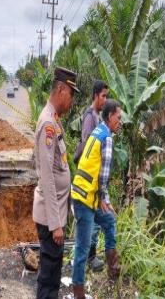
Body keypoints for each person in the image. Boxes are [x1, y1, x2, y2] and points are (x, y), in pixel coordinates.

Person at [33, 66, 79, 299]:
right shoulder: (48, 125)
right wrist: (55, 224)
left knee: (52, 274)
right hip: (52, 219)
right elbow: (47, 178)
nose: (71, 102)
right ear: (61, 90)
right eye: (71, 95)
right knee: (49, 279)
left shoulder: (54, 120)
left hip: (56, 215)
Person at [71, 100, 122, 299]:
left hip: (87, 196)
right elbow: (104, 174)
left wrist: (102, 198)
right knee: (82, 249)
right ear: (110, 116)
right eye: (118, 118)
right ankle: (78, 294)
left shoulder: (98, 131)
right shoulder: (107, 137)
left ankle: (113, 269)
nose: (120, 122)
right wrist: (103, 197)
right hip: (86, 199)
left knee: (109, 220)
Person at [73, 80, 109, 272]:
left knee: (92, 219)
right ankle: (89, 257)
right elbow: (88, 147)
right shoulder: (90, 117)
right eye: (103, 96)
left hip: (92, 178)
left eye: (107, 96)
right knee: (91, 220)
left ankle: (88, 256)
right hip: (88, 179)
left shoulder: (97, 117)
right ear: (95, 96)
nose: (105, 99)